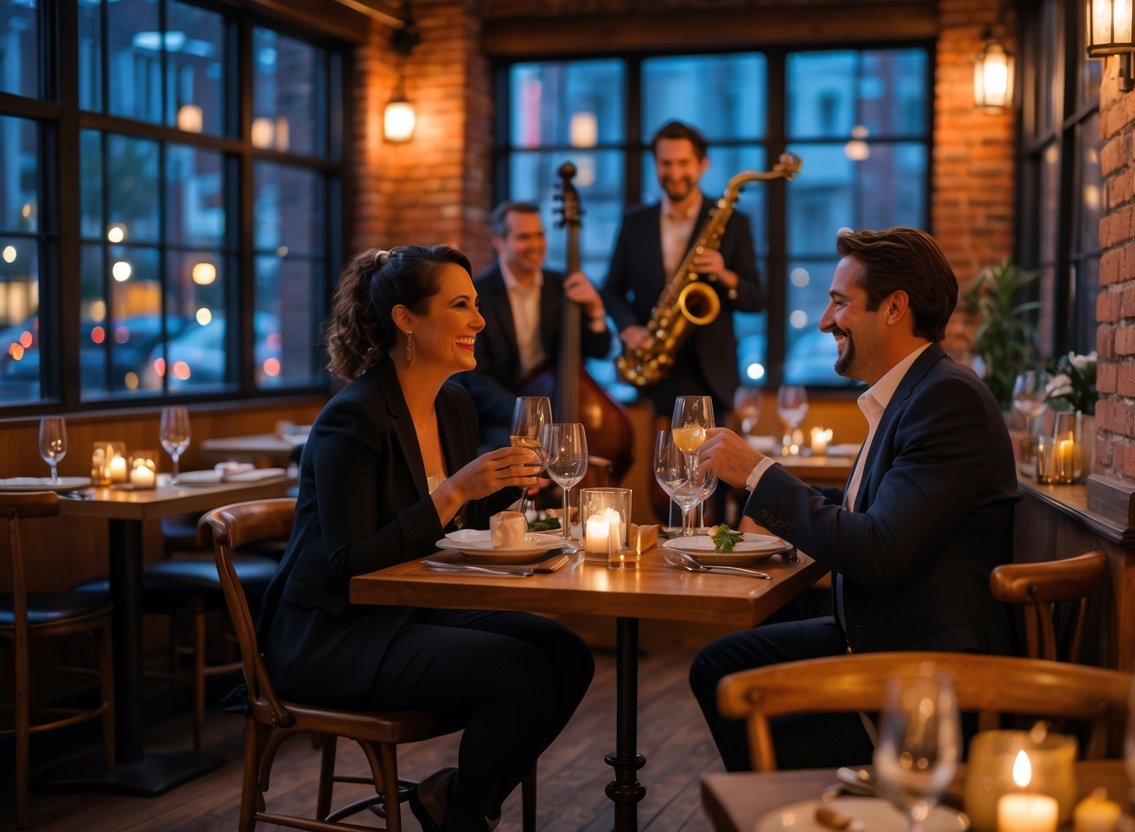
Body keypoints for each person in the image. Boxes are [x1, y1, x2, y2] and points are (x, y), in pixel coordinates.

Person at [257, 245, 595, 831]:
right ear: (407, 320)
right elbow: (348, 563)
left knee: (566, 653)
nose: (479, 320)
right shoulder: (353, 417)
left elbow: (452, 525)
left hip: (408, 612)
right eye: (461, 304)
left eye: (477, 304)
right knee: (518, 671)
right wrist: (455, 493)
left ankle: (453, 800)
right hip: (333, 634)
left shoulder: (453, 405)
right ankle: (463, 815)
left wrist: (509, 485)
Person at [690, 227, 1019, 771]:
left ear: (894, 308)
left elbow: (880, 552)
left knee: (730, 678)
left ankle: (814, 802)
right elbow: (875, 509)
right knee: (721, 665)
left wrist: (760, 475)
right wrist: (774, 506)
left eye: (840, 303)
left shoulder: (946, 399)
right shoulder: (911, 392)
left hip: (925, 671)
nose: (825, 321)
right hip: (875, 634)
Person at [600, 120, 763, 420]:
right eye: (666, 163)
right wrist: (628, 328)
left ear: (703, 164)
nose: (674, 173)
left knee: (715, 467)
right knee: (660, 465)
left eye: (683, 163)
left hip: (713, 376)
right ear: (656, 164)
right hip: (657, 371)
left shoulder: (733, 223)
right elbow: (611, 289)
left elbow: (756, 298)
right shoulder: (635, 222)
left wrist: (724, 275)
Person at [456, 201, 613, 451]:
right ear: (499, 242)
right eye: (524, 237)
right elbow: (475, 378)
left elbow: (601, 350)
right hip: (502, 417)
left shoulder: (563, 287)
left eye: (540, 235)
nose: (536, 245)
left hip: (558, 407)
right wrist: (526, 416)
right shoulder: (478, 294)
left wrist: (595, 310)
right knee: (511, 455)